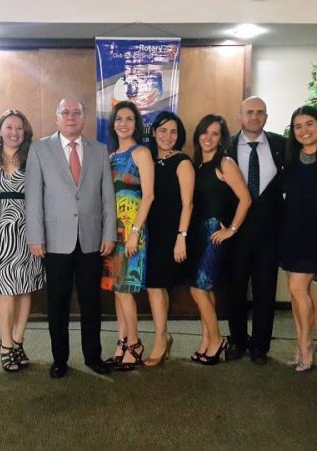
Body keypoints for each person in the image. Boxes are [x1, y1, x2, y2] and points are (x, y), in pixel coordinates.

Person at [25, 97, 116, 378]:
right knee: (58, 303)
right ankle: (59, 359)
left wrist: (109, 233)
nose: (71, 117)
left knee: (91, 302)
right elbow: (33, 198)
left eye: (77, 112)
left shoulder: (100, 150)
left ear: (84, 118)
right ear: (57, 118)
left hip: (92, 239)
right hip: (54, 241)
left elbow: (107, 198)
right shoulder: (40, 149)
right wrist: (35, 237)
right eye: (65, 112)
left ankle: (93, 356)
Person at [0, 110, 45, 372]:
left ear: (25, 132)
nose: (14, 132)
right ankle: (5, 345)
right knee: (5, 289)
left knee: (25, 287)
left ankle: (18, 340)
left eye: (19, 128)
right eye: (9, 127)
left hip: (28, 229)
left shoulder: (34, 158)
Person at [224, 97, 287, 365]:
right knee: (235, 290)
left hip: (269, 234)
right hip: (235, 232)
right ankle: (237, 340)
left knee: (265, 291)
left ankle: (260, 346)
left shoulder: (282, 146)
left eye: (260, 112)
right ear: (239, 116)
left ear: (266, 117)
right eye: (249, 112)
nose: (254, 117)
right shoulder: (225, 147)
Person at [188, 114, 251, 365]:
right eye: (205, 132)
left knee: (199, 289)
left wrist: (232, 229)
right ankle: (206, 340)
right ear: (198, 135)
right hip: (196, 234)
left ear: (221, 138)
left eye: (215, 133)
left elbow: (245, 199)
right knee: (205, 289)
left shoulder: (225, 163)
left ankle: (217, 340)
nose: (209, 137)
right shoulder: (195, 164)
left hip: (214, 235)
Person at [280, 105, 317, 372]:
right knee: (296, 292)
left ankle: (306, 345)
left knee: (297, 289)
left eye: (310, 124)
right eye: (298, 126)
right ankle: (302, 342)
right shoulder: (290, 158)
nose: (304, 131)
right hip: (292, 231)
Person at [100, 101, 154, 371]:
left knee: (125, 291)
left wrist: (134, 233)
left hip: (133, 232)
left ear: (136, 124)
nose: (123, 123)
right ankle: (122, 342)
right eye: (119, 119)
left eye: (129, 119)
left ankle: (134, 344)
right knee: (117, 292)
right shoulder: (110, 157)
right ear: (113, 124)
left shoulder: (141, 153)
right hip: (113, 233)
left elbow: (149, 195)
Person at [144, 111, 194, 366]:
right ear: (153, 132)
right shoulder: (148, 159)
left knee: (157, 285)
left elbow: (188, 204)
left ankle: (161, 339)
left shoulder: (182, 161)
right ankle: (163, 336)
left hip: (171, 234)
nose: (167, 136)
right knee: (156, 286)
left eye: (173, 131)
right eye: (162, 130)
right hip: (149, 231)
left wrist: (181, 237)